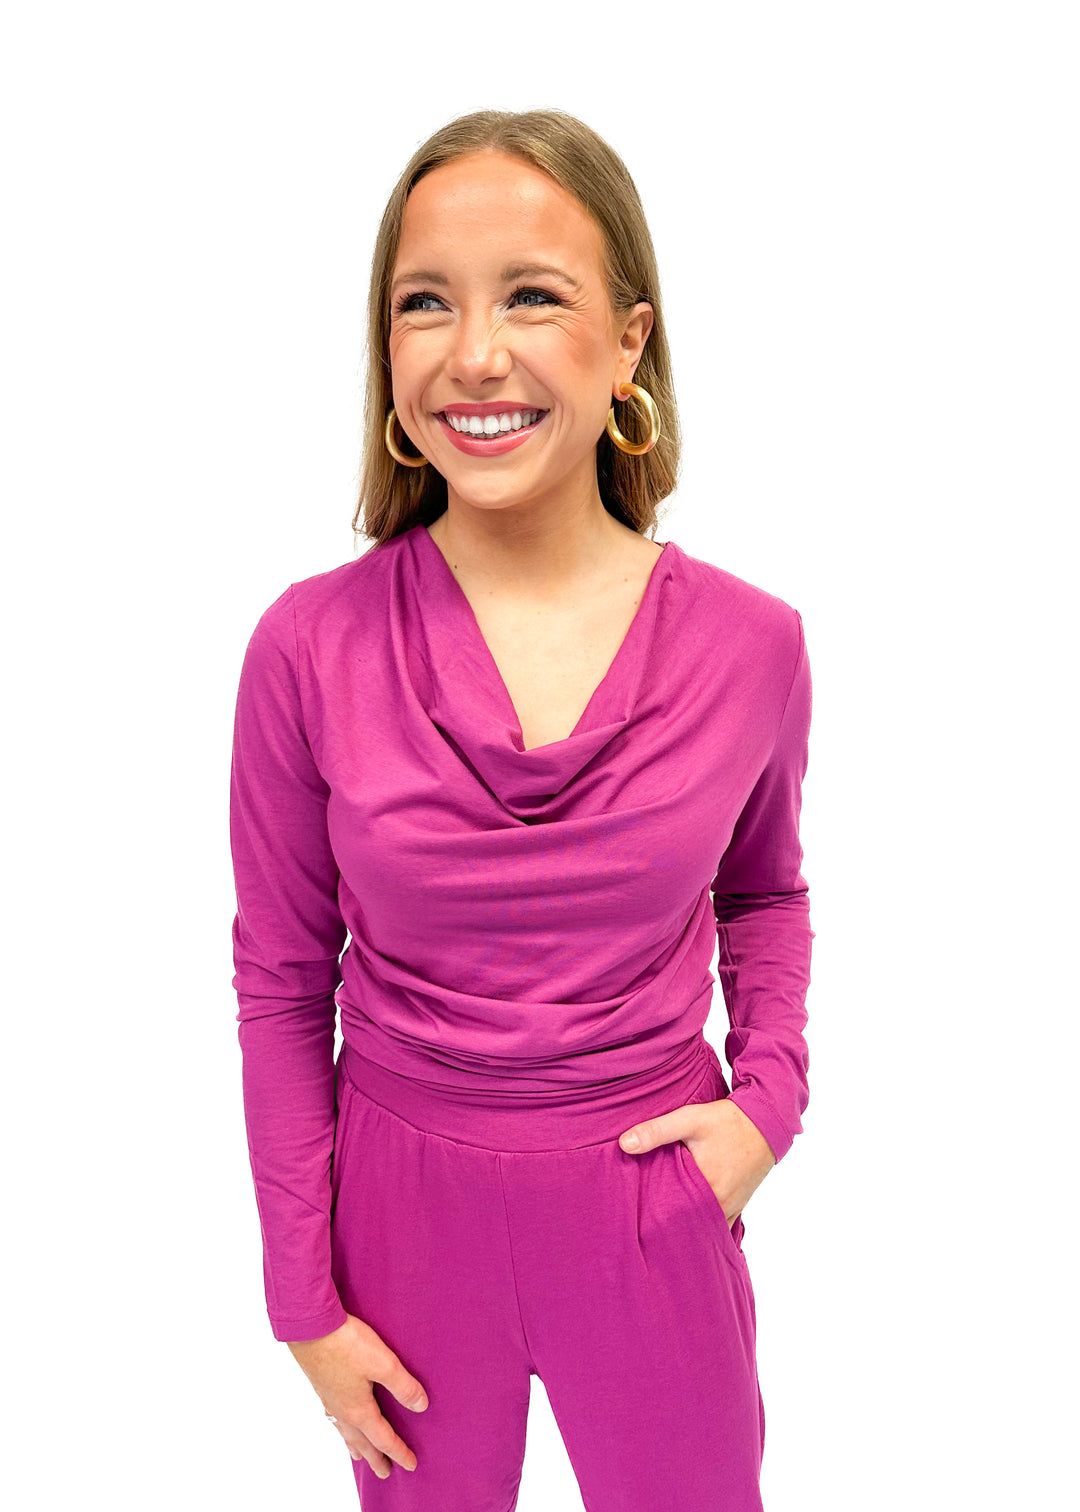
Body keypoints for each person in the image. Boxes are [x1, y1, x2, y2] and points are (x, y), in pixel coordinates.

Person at [229, 108, 815, 1512]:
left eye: (533, 297)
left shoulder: (755, 645)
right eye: (424, 302)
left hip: (652, 1192)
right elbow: (282, 980)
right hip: (400, 1216)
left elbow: (766, 891)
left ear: (628, 344)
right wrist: (302, 1300)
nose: (475, 354)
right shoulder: (308, 646)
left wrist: (769, 1103)